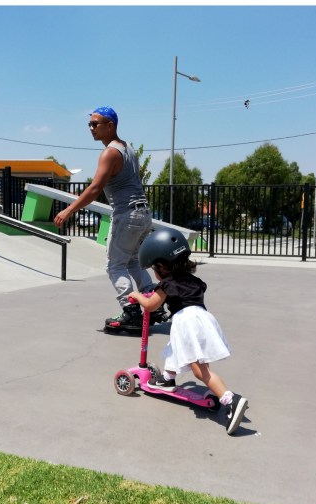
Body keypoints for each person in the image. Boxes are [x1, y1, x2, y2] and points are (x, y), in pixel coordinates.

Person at [128, 227, 249, 434]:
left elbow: (150, 306)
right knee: (175, 348)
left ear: (162, 267)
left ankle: (230, 400)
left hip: (187, 321)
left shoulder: (166, 284)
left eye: (153, 269)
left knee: (199, 370)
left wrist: (138, 296)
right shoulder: (192, 281)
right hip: (202, 318)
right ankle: (167, 377)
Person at [54, 106, 160, 331]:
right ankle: (154, 304)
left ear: (110, 126)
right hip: (143, 213)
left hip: (127, 214)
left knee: (115, 266)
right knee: (132, 261)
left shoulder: (109, 153)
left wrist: (68, 210)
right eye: (89, 124)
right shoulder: (128, 148)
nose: (91, 128)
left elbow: (95, 188)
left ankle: (130, 312)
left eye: (95, 124)